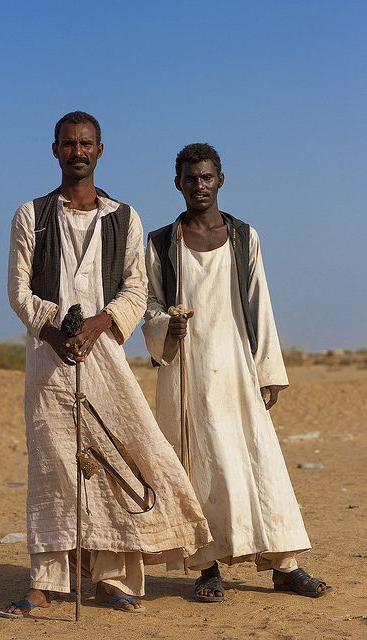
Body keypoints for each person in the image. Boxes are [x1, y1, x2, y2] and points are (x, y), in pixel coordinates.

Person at [2, 114, 211, 617]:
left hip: (106, 360)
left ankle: (111, 578)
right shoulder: (30, 215)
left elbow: (136, 289)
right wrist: (55, 334)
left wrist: (98, 325)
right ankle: (47, 581)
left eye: (86, 143)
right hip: (49, 363)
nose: (78, 151)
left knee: (117, 464)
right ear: (55, 150)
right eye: (69, 144)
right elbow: (19, 290)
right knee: (54, 471)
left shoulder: (125, 217)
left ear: (100, 150)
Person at [142, 143, 332, 602]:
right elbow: (147, 305)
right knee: (198, 467)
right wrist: (168, 324)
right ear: (178, 184)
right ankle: (207, 568)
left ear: (221, 180)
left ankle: (284, 564)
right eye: (190, 178)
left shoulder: (245, 237)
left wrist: (269, 370)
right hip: (185, 372)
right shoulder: (161, 242)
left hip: (237, 367)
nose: (199, 185)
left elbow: (260, 304)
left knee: (258, 461)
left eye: (206, 177)